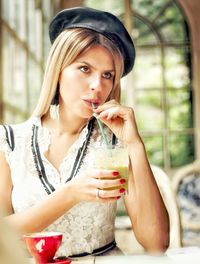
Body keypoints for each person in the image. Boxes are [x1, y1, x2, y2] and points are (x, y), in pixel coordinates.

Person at [0, 7, 169, 258]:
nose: (97, 86)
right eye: (84, 69)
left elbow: (156, 242)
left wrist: (134, 144)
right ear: (58, 70)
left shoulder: (116, 142)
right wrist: (72, 192)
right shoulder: (9, 141)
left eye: (107, 75)